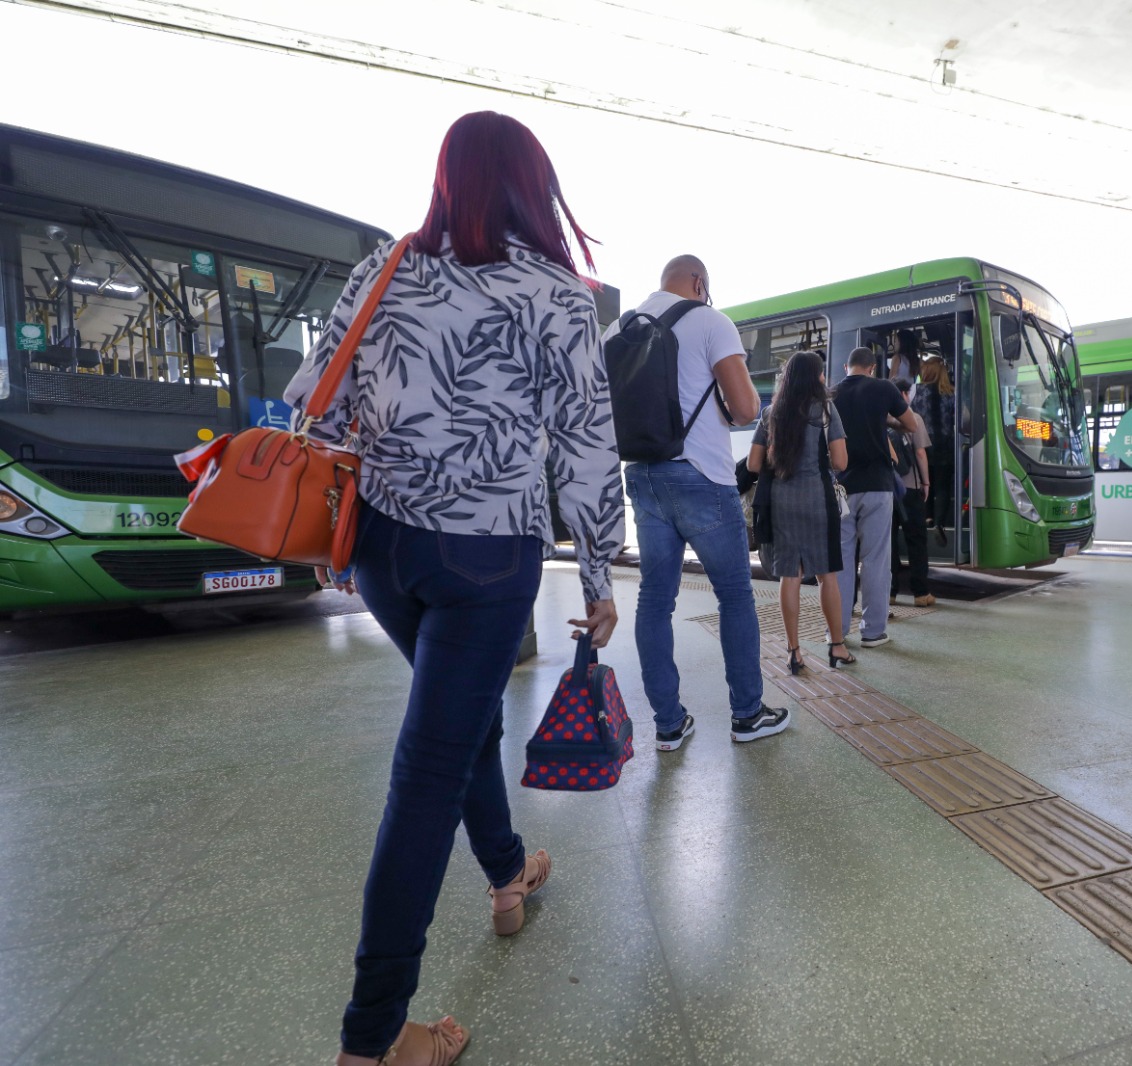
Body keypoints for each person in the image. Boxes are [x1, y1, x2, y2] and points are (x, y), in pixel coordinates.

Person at [287, 112, 625, 1066]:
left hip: (385, 551)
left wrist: (330, 531)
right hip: (484, 557)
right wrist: (599, 569)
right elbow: (587, 449)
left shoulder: (386, 267)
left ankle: (509, 873)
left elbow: (321, 393)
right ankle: (376, 1035)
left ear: (447, 180)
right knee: (427, 774)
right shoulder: (557, 292)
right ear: (532, 184)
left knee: (461, 718)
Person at [607, 255, 788, 749]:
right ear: (699, 283)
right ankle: (747, 715)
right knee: (734, 596)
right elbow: (749, 407)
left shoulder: (615, 331)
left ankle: (669, 724)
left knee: (654, 600)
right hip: (703, 476)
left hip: (643, 476)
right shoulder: (710, 321)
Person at [747, 351, 853, 671]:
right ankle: (837, 646)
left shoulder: (771, 414)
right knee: (826, 576)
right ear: (815, 377)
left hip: (782, 502)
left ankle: (794, 652)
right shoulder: (825, 410)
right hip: (818, 501)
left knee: (789, 576)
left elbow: (753, 464)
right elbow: (840, 462)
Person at [833, 346, 910, 648]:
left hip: (841, 488)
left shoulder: (832, 393)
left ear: (846, 366)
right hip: (878, 486)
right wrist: (886, 421)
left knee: (841, 560)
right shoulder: (884, 388)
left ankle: (836, 632)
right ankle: (873, 632)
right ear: (873, 368)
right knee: (876, 560)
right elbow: (912, 425)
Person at [889, 377, 934, 607]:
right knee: (916, 540)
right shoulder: (913, 418)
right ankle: (920, 593)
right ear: (905, 394)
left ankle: (890, 592)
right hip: (910, 488)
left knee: (889, 543)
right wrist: (926, 483)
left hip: (887, 489)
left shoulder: (884, 417)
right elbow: (920, 454)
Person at [914, 353, 957, 545]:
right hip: (946, 445)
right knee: (943, 487)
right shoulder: (951, 393)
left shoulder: (916, 391)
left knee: (926, 483)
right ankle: (940, 522)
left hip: (923, 443)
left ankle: (927, 517)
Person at [888, 328, 922, 399]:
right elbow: (922, 379)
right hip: (911, 395)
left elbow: (891, 380)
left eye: (896, 341)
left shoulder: (897, 358)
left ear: (902, 343)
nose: (895, 344)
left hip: (898, 394)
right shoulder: (916, 360)